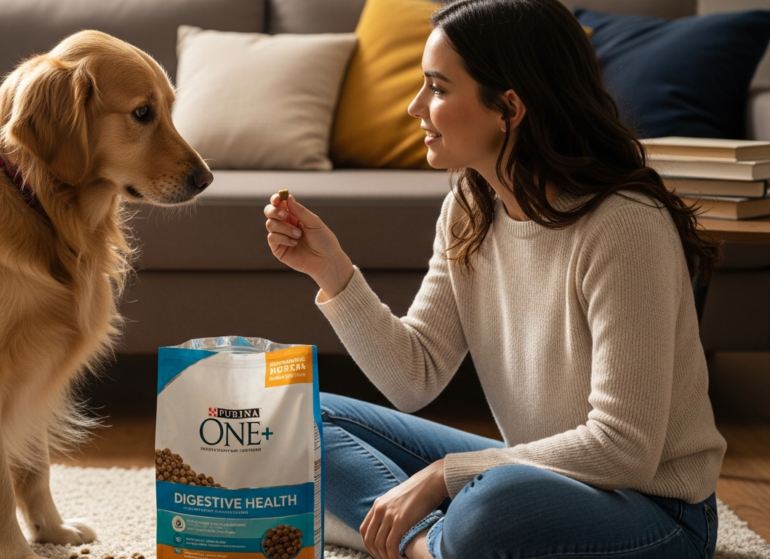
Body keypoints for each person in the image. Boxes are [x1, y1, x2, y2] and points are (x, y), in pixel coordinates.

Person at [262, 0, 727, 557]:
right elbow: (415, 377)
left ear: (508, 108)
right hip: (541, 474)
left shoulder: (624, 224)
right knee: (298, 416)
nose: (415, 107)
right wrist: (331, 269)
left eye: (437, 88)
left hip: (656, 512)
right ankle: (427, 546)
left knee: (491, 501)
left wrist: (446, 475)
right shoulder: (470, 203)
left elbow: (624, 449)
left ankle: (431, 538)